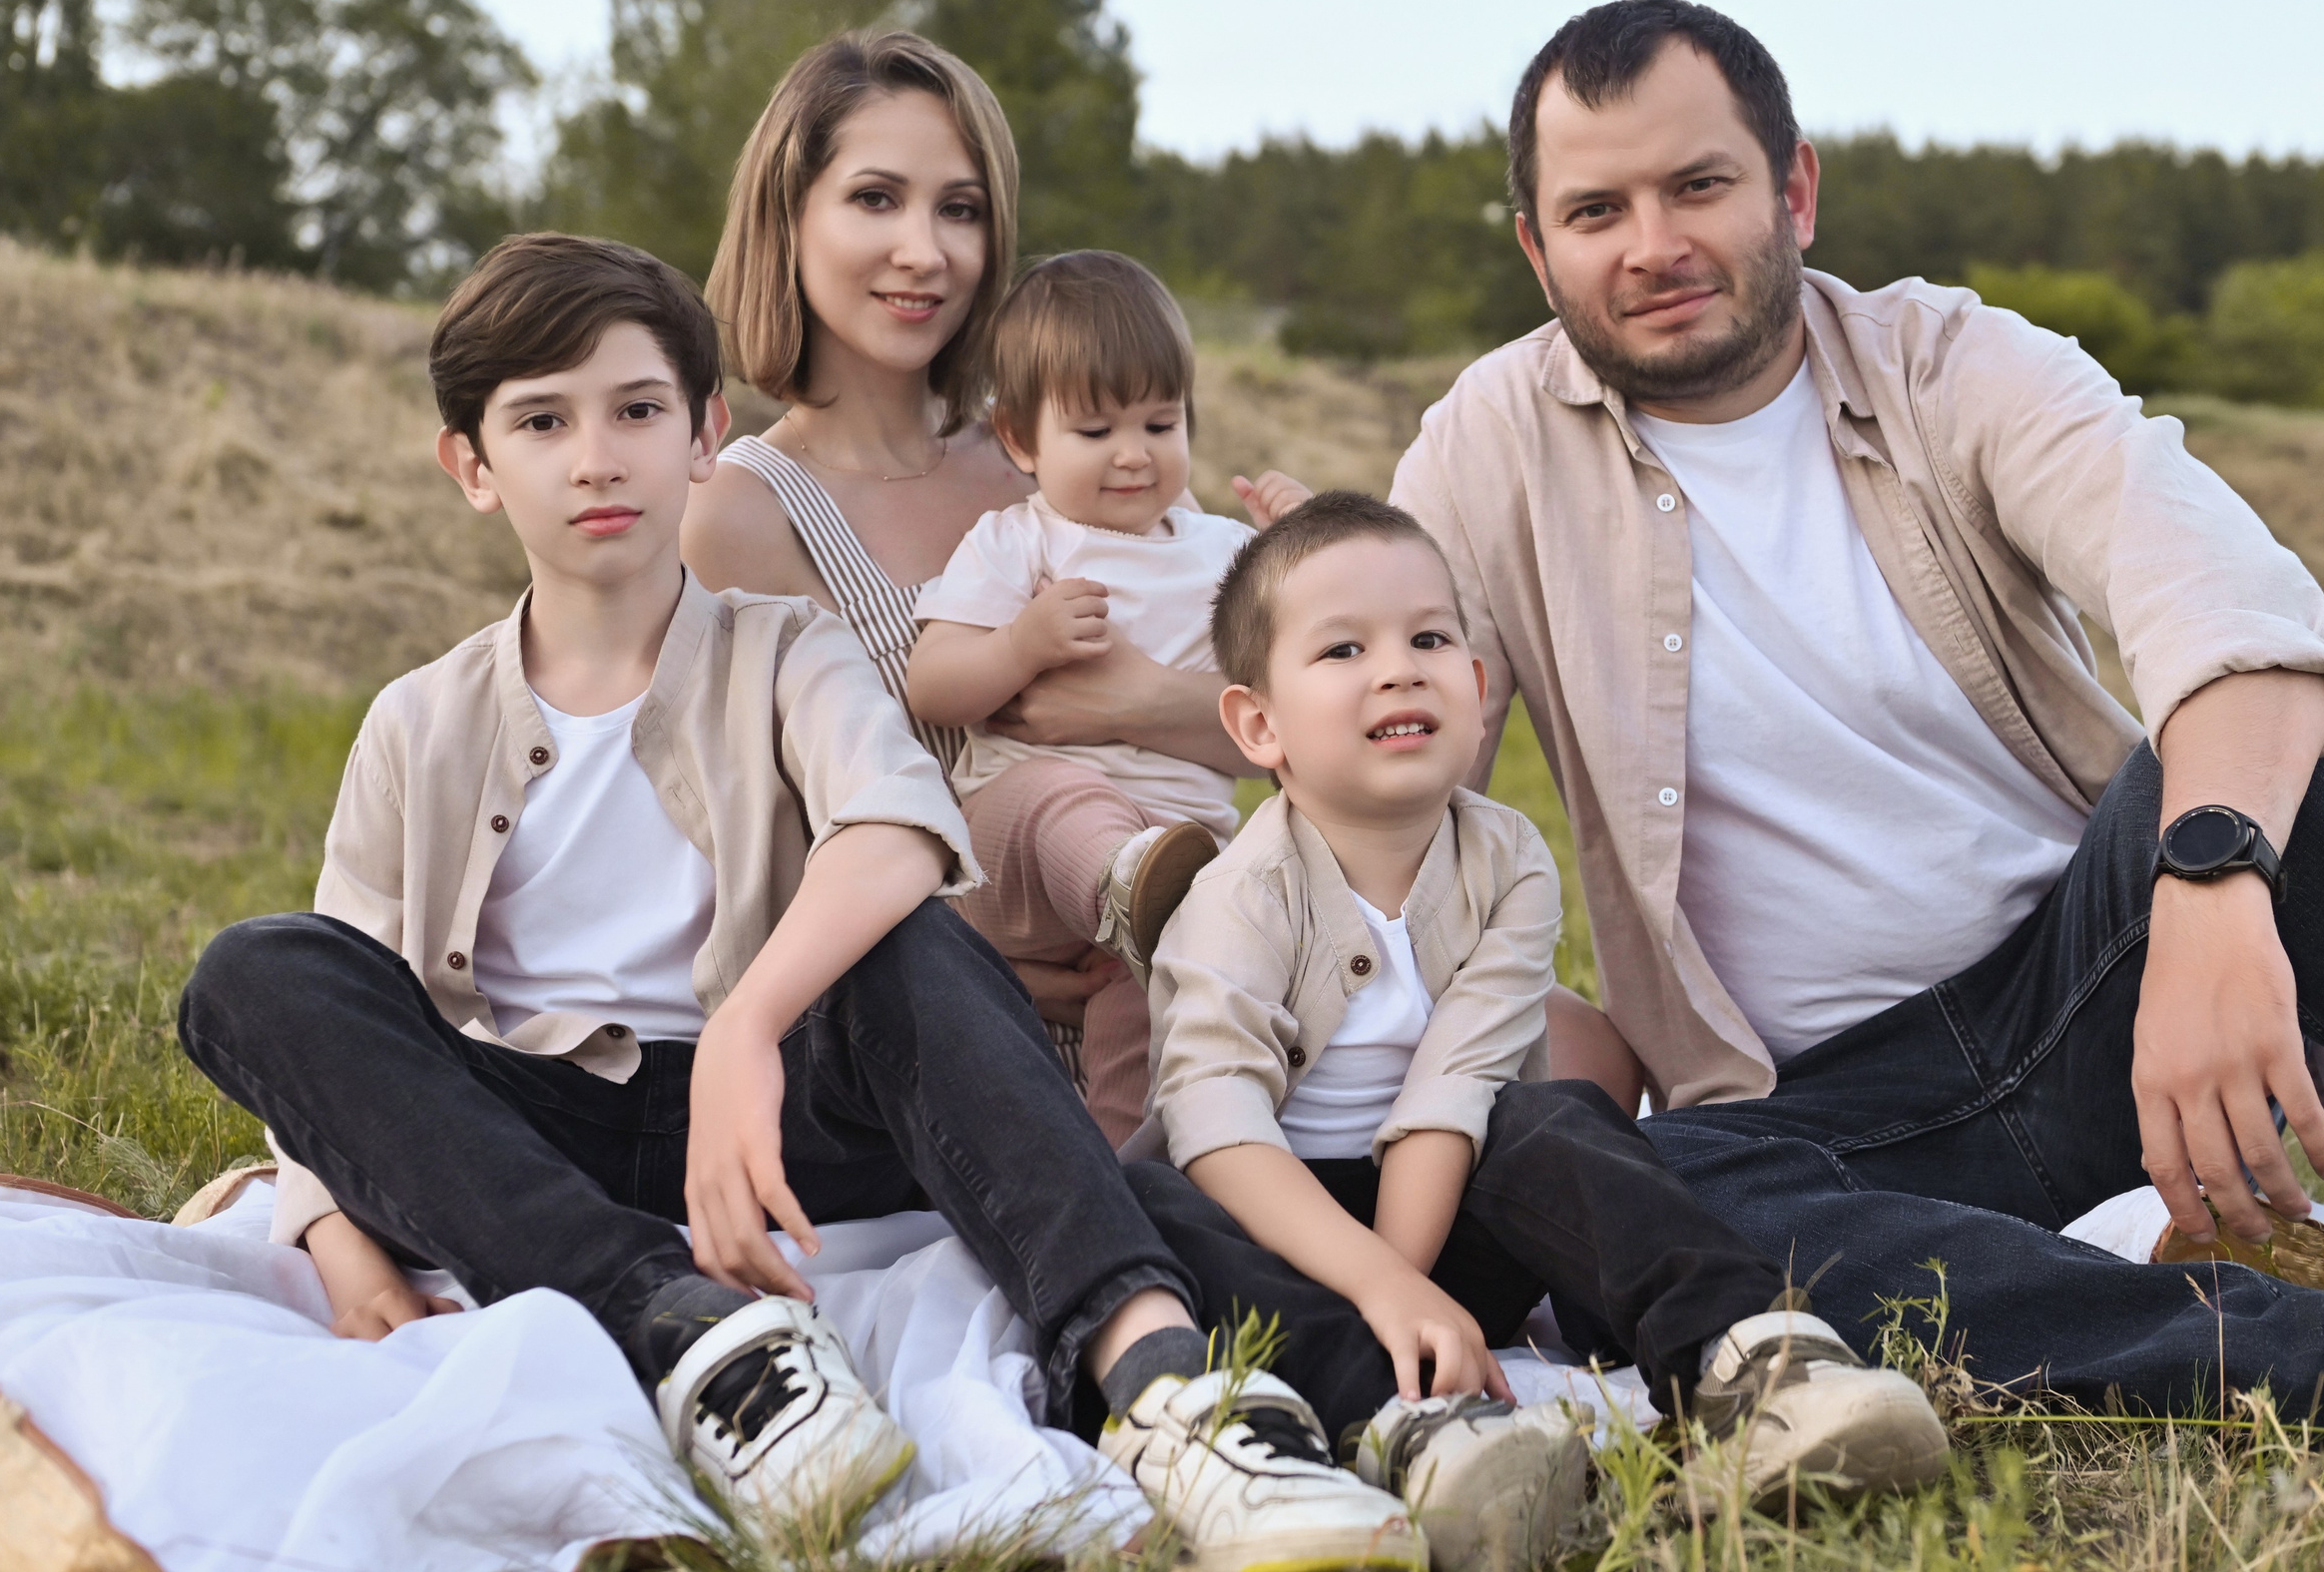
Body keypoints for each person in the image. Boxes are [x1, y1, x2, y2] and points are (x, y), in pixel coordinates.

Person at [177, 233, 1435, 1566]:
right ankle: (695, 1335)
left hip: (787, 1122)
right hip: (538, 1126)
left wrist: (747, 1025)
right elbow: (342, 1026)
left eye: (639, 410)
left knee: (912, 947)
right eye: (543, 421)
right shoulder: (418, 719)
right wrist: (346, 1245)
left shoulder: (787, 649)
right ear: (474, 466)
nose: (598, 455)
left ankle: (1170, 1387)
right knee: (258, 968)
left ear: (708, 432)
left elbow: (902, 825)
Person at [1390, 0, 2324, 1444]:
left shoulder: (1950, 363)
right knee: (1621, 1185)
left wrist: (2208, 876)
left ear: (1792, 185)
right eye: (1596, 209)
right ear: (1536, 248)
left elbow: (2231, 604)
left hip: (2103, 1001)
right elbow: (1380, 779)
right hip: (1825, 1121)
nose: (1653, 246)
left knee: (2323, 775)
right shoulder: (1485, 443)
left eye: (1697, 185)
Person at [1116, 492, 1949, 1567]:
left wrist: (1413, 1282)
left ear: (1473, 682)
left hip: (1442, 1210)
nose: (1398, 667)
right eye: (1341, 648)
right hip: (1277, 1233)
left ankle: (1751, 1360)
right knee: (1153, 1202)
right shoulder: (1238, 898)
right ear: (1258, 724)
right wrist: (1382, 1293)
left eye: (1429, 637)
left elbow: (1454, 1088)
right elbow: (1217, 1125)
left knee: (1555, 1116)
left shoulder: (1506, 857)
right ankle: (1411, 1424)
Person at [681, 30, 1294, 1125]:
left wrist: (1143, 700)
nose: (924, 250)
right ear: (790, 217)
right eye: (875, 199)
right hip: (929, 1025)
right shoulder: (742, 509)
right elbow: (748, 845)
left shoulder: (1066, 457)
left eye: (959, 209)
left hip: (1164, 969)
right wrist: (966, 959)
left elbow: (1272, 712)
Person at [904, 251, 1303, 1139]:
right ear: (1019, 439)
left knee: (1151, 1011)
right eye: (1095, 432)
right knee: (1063, 794)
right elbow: (932, 685)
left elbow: (1311, 695)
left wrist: (1306, 546)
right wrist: (1020, 642)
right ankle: (1127, 882)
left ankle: (1131, 1169)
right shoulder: (1021, 543)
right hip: (1016, 852)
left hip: (1171, 869)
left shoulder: (1226, 555)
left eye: (1161, 423)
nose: (1134, 455)